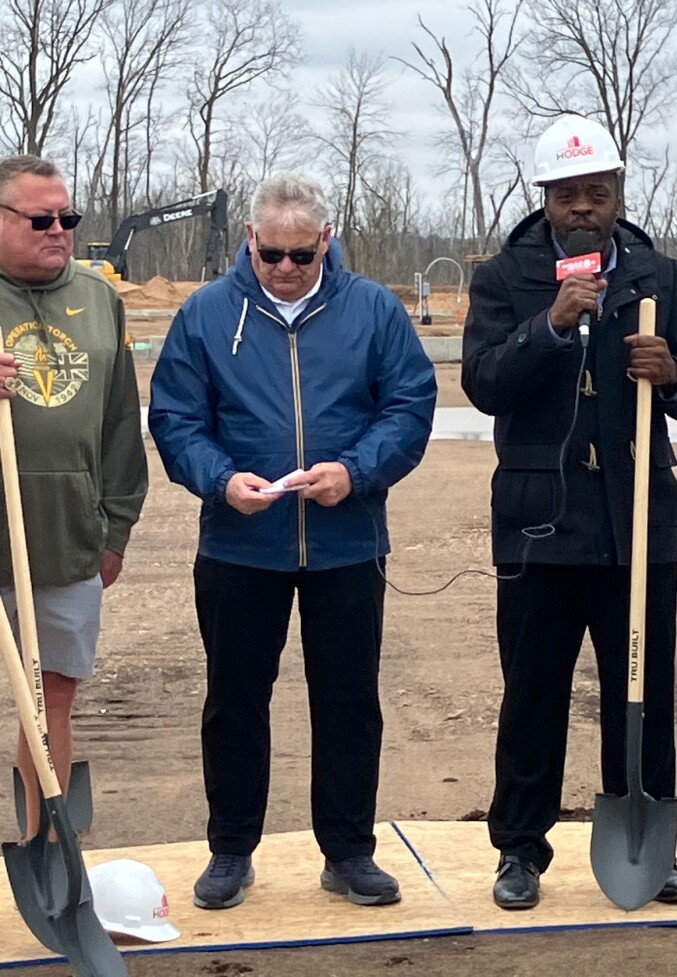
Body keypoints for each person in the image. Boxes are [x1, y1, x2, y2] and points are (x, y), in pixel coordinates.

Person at [149, 173, 437, 910]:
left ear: (326, 242)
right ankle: (230, 848)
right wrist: (220, 480)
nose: (283, 268)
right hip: (240, 546)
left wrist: (356, 470)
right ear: (250, 240)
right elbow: (177, 417)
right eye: (271, 253)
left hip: (346, 545)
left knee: (347, 700)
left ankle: (348, 849)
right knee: (235, 699)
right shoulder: (207, 315)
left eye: (299, 256)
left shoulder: (373, 310)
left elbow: (409, 404)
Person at [461, 115, 677, 909]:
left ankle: (651, 840)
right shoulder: (504, 277)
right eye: (567, 194)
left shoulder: (658, 276)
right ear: (544, 197)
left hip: (637, 522)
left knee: (641, 689)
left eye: (596, 193)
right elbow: (484, 383)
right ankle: (519, 849)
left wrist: (671, 371)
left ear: (616, 195)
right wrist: (552, 325)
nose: (582, 207)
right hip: (540, 524)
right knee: (532, 692)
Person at [0, 155, 147, 838]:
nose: (59, 229)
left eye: (68, 217)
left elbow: (123, 423)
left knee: (47, 697)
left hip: (62, 539)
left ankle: (43, 848)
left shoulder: (101, 298)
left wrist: (113, 529)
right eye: (41, 218)